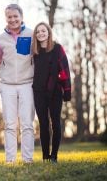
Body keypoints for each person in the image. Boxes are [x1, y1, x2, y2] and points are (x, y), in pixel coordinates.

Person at [0, 4, 35, 164]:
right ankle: (10, 160)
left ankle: (27, 159)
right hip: (7, 85)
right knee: (10, 124)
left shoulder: (32, 34)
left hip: (27, 84)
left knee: (27, 123)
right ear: (6, 18)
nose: (12, 20)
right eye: (9, 17)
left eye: (15, 16)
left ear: (21, 17)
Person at [32, 22, 71, 163]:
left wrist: (67, 90)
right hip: (38, 92)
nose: (40, 33)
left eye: (43, 31)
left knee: (55, 123)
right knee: (43, 124)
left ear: (48, 32)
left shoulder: (57, 49)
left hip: (55, 91)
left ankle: (54, 156)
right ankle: (45, 156)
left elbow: (65, 70)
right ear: (35, 35)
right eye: (38, 32)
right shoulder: (34, 52)